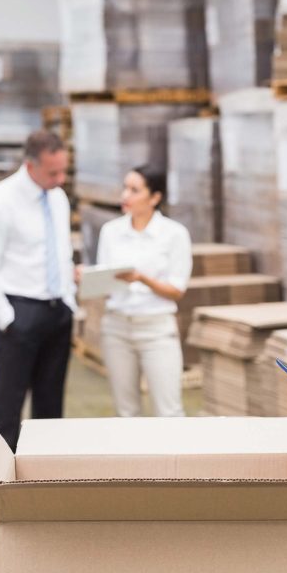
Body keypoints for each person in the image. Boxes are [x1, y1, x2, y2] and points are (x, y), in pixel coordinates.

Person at [0, 130, 75, 452]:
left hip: (58, 311)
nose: (61, 178)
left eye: (64, 170)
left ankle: (44, 472)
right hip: (19, 312)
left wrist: (69, 299)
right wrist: (6, 319)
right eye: (53, 172)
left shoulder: (58, 198)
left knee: (50, 401)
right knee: (8, 402)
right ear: (30, 166)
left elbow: (60, 250)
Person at [95, 165, 192, 417]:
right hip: (116, 328)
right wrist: (90, 278)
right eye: (125, 187)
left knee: (169, 411)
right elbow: (106, 287)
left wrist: (141, 278)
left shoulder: (174, 234)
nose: (125, 195)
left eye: (135, 190)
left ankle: (175, 458)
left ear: (155, 197)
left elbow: (176, 290)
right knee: (127, 413)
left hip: (157, 330)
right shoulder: (111, 232)